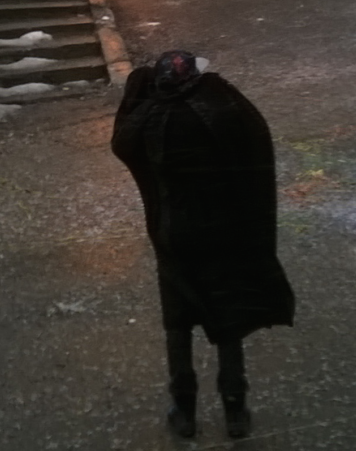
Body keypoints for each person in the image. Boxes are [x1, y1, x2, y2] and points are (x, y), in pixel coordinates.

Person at [111, 52, 294, 440]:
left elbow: (122, 139)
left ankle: (185, 408)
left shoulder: (149, 121)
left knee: (177, 322)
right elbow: (251, 131)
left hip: (172, 235)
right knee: (227, 315)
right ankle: (235, 409)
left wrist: (141, 87)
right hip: (221, 232)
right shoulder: (220, 111)